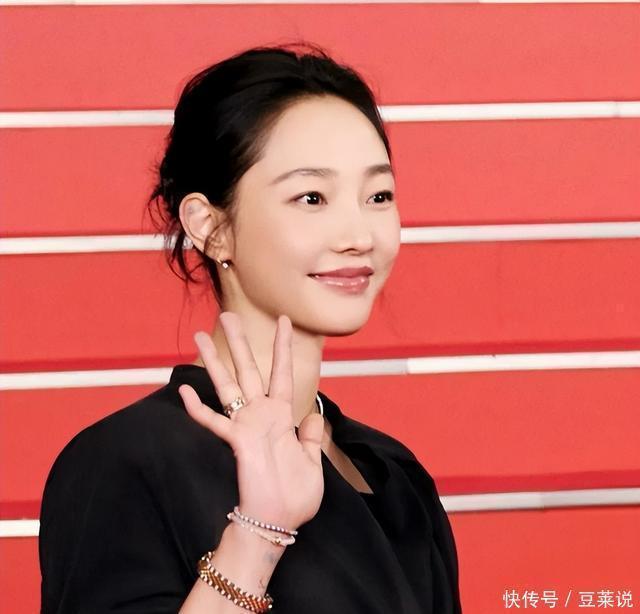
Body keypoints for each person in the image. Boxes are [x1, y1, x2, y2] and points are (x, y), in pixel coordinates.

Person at [39, 42, 463, 613]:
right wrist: (258, 532)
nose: (360, 236)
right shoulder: (124, 462)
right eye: (311, 197)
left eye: (378, 195)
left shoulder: (393, 471)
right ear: (210, 227)